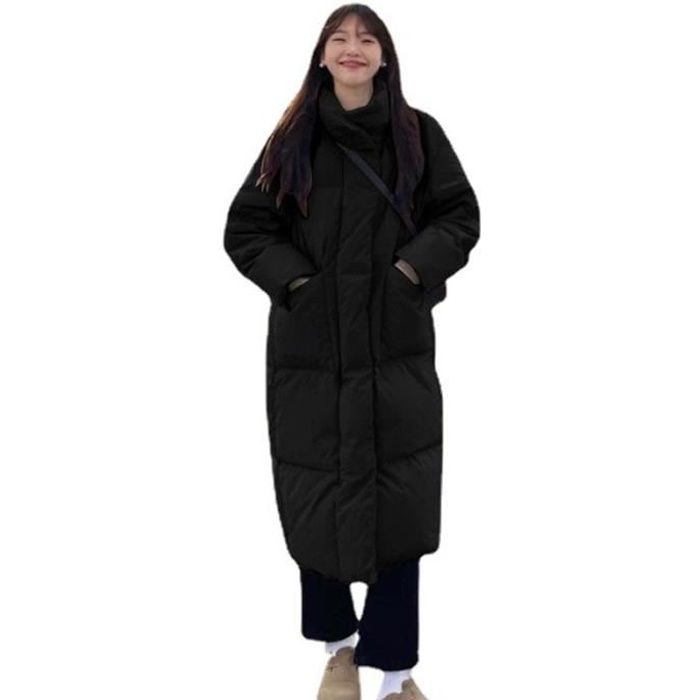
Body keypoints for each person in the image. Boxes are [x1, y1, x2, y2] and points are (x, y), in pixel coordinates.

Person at [222, 5, 480, 699]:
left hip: (395, 348)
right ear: (322, 56)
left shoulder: (419, 134)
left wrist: (409, 274)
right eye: (339, 38)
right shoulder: (291, 140)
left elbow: (460, 216)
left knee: (400, 505)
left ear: (385, 57)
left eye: (367, 39)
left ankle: (396, 675)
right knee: (317, 495)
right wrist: (299, 286)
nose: (353, 48)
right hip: (311, 353)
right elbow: (246, 228)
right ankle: (338, 652)